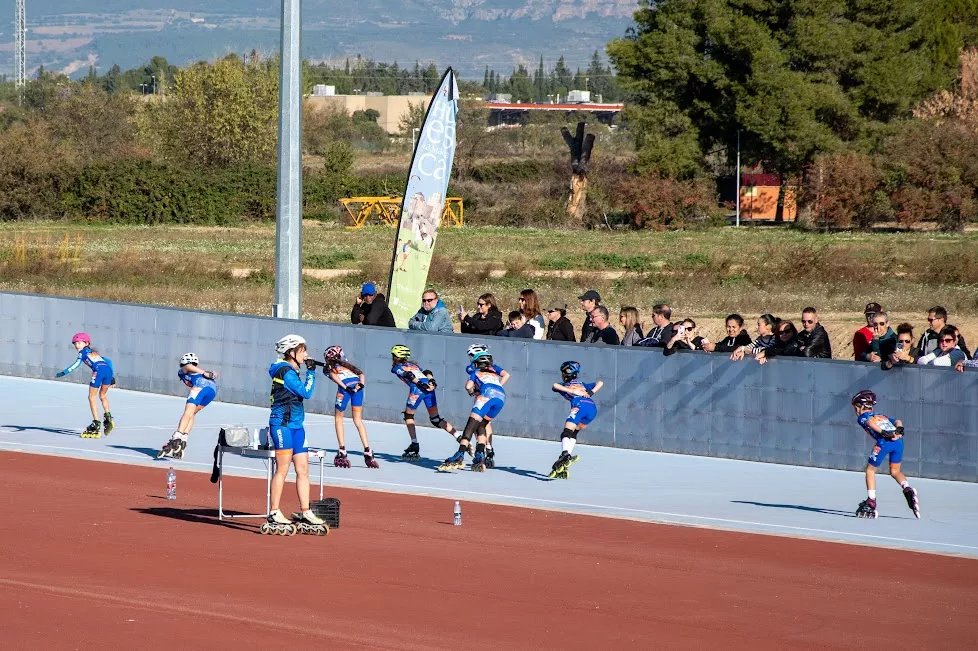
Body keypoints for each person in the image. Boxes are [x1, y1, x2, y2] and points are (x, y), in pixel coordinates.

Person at [262, 334, 328, 536]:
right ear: (292, 353)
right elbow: (306, 393)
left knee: (303, 470)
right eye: (303, 351)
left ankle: (305, 511)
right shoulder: (286, 372)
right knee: (282, 469)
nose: (307, 354)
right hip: (282, 426)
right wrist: (311, 373)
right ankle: (274, 512)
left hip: (297, 426)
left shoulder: (291, 369)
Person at [850, 390, 920, 520]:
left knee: (870, 470)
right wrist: (899, 429)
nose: (855, 410)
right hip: (898, 442)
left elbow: (869, 423)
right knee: (895, 471)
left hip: (884, 442)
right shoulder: (881, 415)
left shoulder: (862, 417)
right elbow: (898, 421)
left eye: (855, 407)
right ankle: (907, 488)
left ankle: (871, 501)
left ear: (861, 406)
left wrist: (883, 433)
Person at [439, 349, 510, 473]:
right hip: (501, 397)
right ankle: (480, 455)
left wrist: (472, 392)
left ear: (476, 363)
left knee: (470, 427)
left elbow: (468, 386)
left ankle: (460, 454)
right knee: (482, 424)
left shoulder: (476, 372)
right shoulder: (493, 372)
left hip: (486, 395)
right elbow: (505, 376)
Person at [390, 344, 460, 460]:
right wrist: (431, 380)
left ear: (395, 356)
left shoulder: (396, 368)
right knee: (436, 419)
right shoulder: (413, 365)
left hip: (418, 389)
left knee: (409, 416)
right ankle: (459, 437)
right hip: (429, 389)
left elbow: (408, 375)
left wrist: (419, 383)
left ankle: (414, 444)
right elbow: (427, 371)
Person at [323, 345, 379, 469]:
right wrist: (361, 385)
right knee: (358, 420)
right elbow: (361, 374)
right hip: (358, 388)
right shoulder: (348, 366)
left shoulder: (329, 367)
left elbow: (334, 376)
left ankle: (342, 450)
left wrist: (345, 387)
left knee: (338, 418)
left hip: (345, 389)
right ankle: (368, 451)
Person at [158, 353, 219, 460]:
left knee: (188, 412)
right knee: (192, 414)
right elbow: (190, 367)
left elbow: (187, 366)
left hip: (200, 387)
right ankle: (184, 437)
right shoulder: (195, 371)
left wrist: (208, 373)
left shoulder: (184, 370)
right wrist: (209, 373)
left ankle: (177, 437)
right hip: (212, 390)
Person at [548, 361, 603, 479]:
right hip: (592, 408)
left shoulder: (564, 385)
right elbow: (600, 382)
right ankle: (566, 458)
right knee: (574, 432)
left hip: (579, 405)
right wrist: (591, 392)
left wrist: (572, 391)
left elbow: (554, 386)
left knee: (566, 432)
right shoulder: (582, 383)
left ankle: (565, 455)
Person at [56, 332, 116, 438]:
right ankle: (108, 417)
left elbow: (76, 364)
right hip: (107, 371)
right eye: (75, 343)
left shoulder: (83, 353)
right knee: (102, 396)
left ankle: (96, 423)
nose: (77, 345)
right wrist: (112, 377)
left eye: (79, 343)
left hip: (98, 372)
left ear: (86, 343)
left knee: (91, 397)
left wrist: (64, 372)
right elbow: (109, 362)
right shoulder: (94, 353)